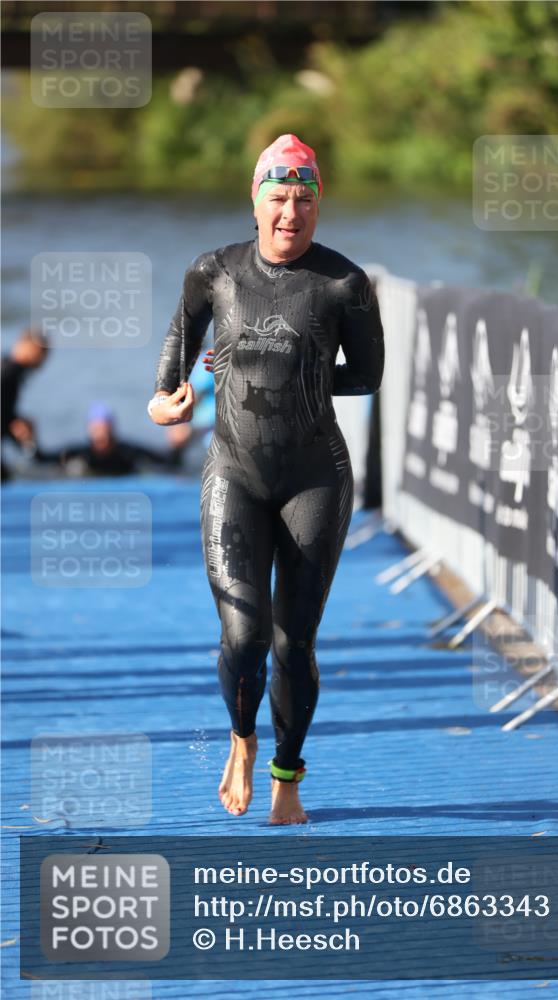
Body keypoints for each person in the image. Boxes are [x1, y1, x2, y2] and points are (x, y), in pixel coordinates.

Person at [148, 133, 384, 824]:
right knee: (245, 635)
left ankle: (288, 773)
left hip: (316, 476)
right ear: (254, 202)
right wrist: (167, 400)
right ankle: (242, 739)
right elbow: (170, 370)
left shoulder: (343, 283)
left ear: (319, 206)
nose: (290, 213)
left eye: (304, 200)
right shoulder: (212, 272)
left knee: (294, 640)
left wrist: (299, 371)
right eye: (277, 198)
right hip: (234, 474)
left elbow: (366, 376)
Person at [38, 402, 184, 477]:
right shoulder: (80, 454)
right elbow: (42, 461)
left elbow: (168, 464)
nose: (101, 435)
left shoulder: (128, 453)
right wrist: (29, 442)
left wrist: (177, 446)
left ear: (112, 430)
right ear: (90, 430)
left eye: (105, 429)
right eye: (97, 429)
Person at [1, 327, 49, 481]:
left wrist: (13, 422)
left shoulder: (11, 369)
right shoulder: (10, 371)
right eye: (41, 350)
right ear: (24, 345)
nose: (43, 357)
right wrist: (14, 423)